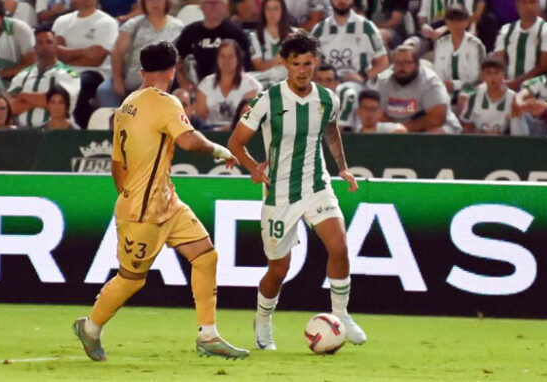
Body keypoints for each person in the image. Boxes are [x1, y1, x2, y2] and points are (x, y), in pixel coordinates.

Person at [72, 40, 249, 362]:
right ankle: (91, 327)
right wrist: (218, 149)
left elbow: (116, 163)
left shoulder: (126, 104)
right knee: (131, 279)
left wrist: (128, 193)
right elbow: (187, 140)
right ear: (173, 70)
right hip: (144, 210)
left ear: (141, 71)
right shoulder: (165, 102)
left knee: (205, 256)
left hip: (165, 202)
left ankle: (208, 335)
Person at [227, 31, 366, 351]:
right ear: (284, 64)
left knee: (340, 246)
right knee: (278, 270)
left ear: (315, 62)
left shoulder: (328, 98)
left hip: (316, 185)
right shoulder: (267, 100)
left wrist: (341, 166)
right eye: (296, 64)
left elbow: (331, 130)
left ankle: (341, 314)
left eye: (308, 63)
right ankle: (263, 322)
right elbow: (235, 142)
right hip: (279, 194)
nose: (302, 70)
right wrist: (253, 167)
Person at [96, 0, 184, 107]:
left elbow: (181, 60)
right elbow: (118, 52)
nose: (155, 3)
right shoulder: (132, 25)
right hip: (130, 81)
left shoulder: (179, 28)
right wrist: (117, 79)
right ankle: (117, 121)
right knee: (104, 91)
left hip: (163, 84)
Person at [52, 0, 118, 129]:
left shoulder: (107, 22)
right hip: (63, 70)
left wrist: (68, 55)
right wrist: (84, 51)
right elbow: (57, 52)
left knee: (78, 85)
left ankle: (83, 131)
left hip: (95, 73)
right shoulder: (62, 21)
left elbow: (96, 60)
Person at [369, 45, 462, 133]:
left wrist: (404, 128)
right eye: (398, 63)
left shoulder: (431, 81)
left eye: (407, 62)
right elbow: (377, 113)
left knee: (434, 134)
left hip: (428, 126)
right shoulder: (383, 81)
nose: (402, 67)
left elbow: (437, 118)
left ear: (417, 64)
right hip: (395, 127)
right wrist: (395, 128)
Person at [8, 24, 80, 129]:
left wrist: (24, 97)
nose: (44, 46)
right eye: (40, 43)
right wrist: (43, 100)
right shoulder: (23, 74)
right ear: (35, 48)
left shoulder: (68, 74)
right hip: (22, 132)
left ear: (56, 46)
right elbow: (11, 107)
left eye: (49, 42)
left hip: (55, 131)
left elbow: (61, 105)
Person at [174, 0, 253, 92]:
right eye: (208, 3)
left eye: (216, 3)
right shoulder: (190, 31)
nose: (212, 7)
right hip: (195, 88)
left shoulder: (236, 33)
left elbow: (245, 66)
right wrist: (185, 84)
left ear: (225, 6)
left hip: (230, 88)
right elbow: (177, 62)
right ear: (201, 7)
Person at [311, 0, 389, 84]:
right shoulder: (319, 30)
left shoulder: (367, 27)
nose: (342, 1)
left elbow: (383, 62)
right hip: (327, 86)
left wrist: (363, 77)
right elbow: (313, 64)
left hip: (358, 86)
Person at [195, 40, 262, 130]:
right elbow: (199, 118)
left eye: (231, 56)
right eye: (222, 56)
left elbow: (250, 119)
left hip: (239, 132)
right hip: (210, 132)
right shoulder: (206, 84)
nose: (226, 60)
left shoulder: (251, 86)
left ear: (238, 59)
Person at [493, 0, 547, 91]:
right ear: (517, 6)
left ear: (539, 5)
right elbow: (499, 59)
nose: (528, 6)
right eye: (524, 2)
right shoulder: (506, 30)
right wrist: (505, 82)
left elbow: (545, 65)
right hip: (508, 86)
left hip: (539, 89)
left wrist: (517, 82)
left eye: (532, 2)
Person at [433, 5, 486, 107]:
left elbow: (478, 78)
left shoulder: (475, 44)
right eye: (451, 20)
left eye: (459, 20)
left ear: (466, 22)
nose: (455, 24)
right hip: (444, 90)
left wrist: (454, 85)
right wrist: (443, 85)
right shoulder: (441, 43)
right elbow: (437, 72)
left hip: (470, 90)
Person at [0, 0, 36, 82]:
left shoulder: (20, 29)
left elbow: (30, 64)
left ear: (2, 17)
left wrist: (0, 75)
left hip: (18, 82)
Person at [461, 57, 517, 134]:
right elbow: (467, 126)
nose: (493, 77)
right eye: (488, 73)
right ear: (483, 76)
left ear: (503, 75)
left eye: (497, 73)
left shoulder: (514, 98)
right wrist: (480, 132)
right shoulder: (473, 98)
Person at [249, 0, 297, 86]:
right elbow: (258, 66)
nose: (272, 13)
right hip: (266, 81)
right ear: (263, 12)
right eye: (268, 9)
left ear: (283, 11)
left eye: (276, 9)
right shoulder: (255, 36)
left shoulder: (295, 34)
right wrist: (276, 61)